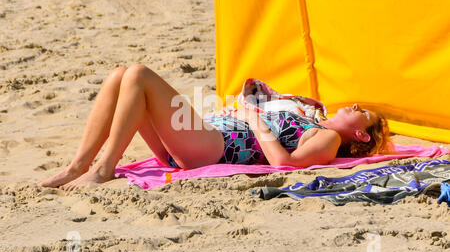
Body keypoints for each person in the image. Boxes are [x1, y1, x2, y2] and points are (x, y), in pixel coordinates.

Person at [37, 64, 391, 191]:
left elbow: (285, 163)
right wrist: (289, 101)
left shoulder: (327, 139)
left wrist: (253, 117)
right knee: (120, 76)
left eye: (363, 114)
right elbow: (253, 88)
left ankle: (103, 168)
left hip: (215, 146)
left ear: (360, 135)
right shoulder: (310, 118)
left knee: (140, 76)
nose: (355, 106)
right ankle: (77, 166)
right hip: (202, 135)